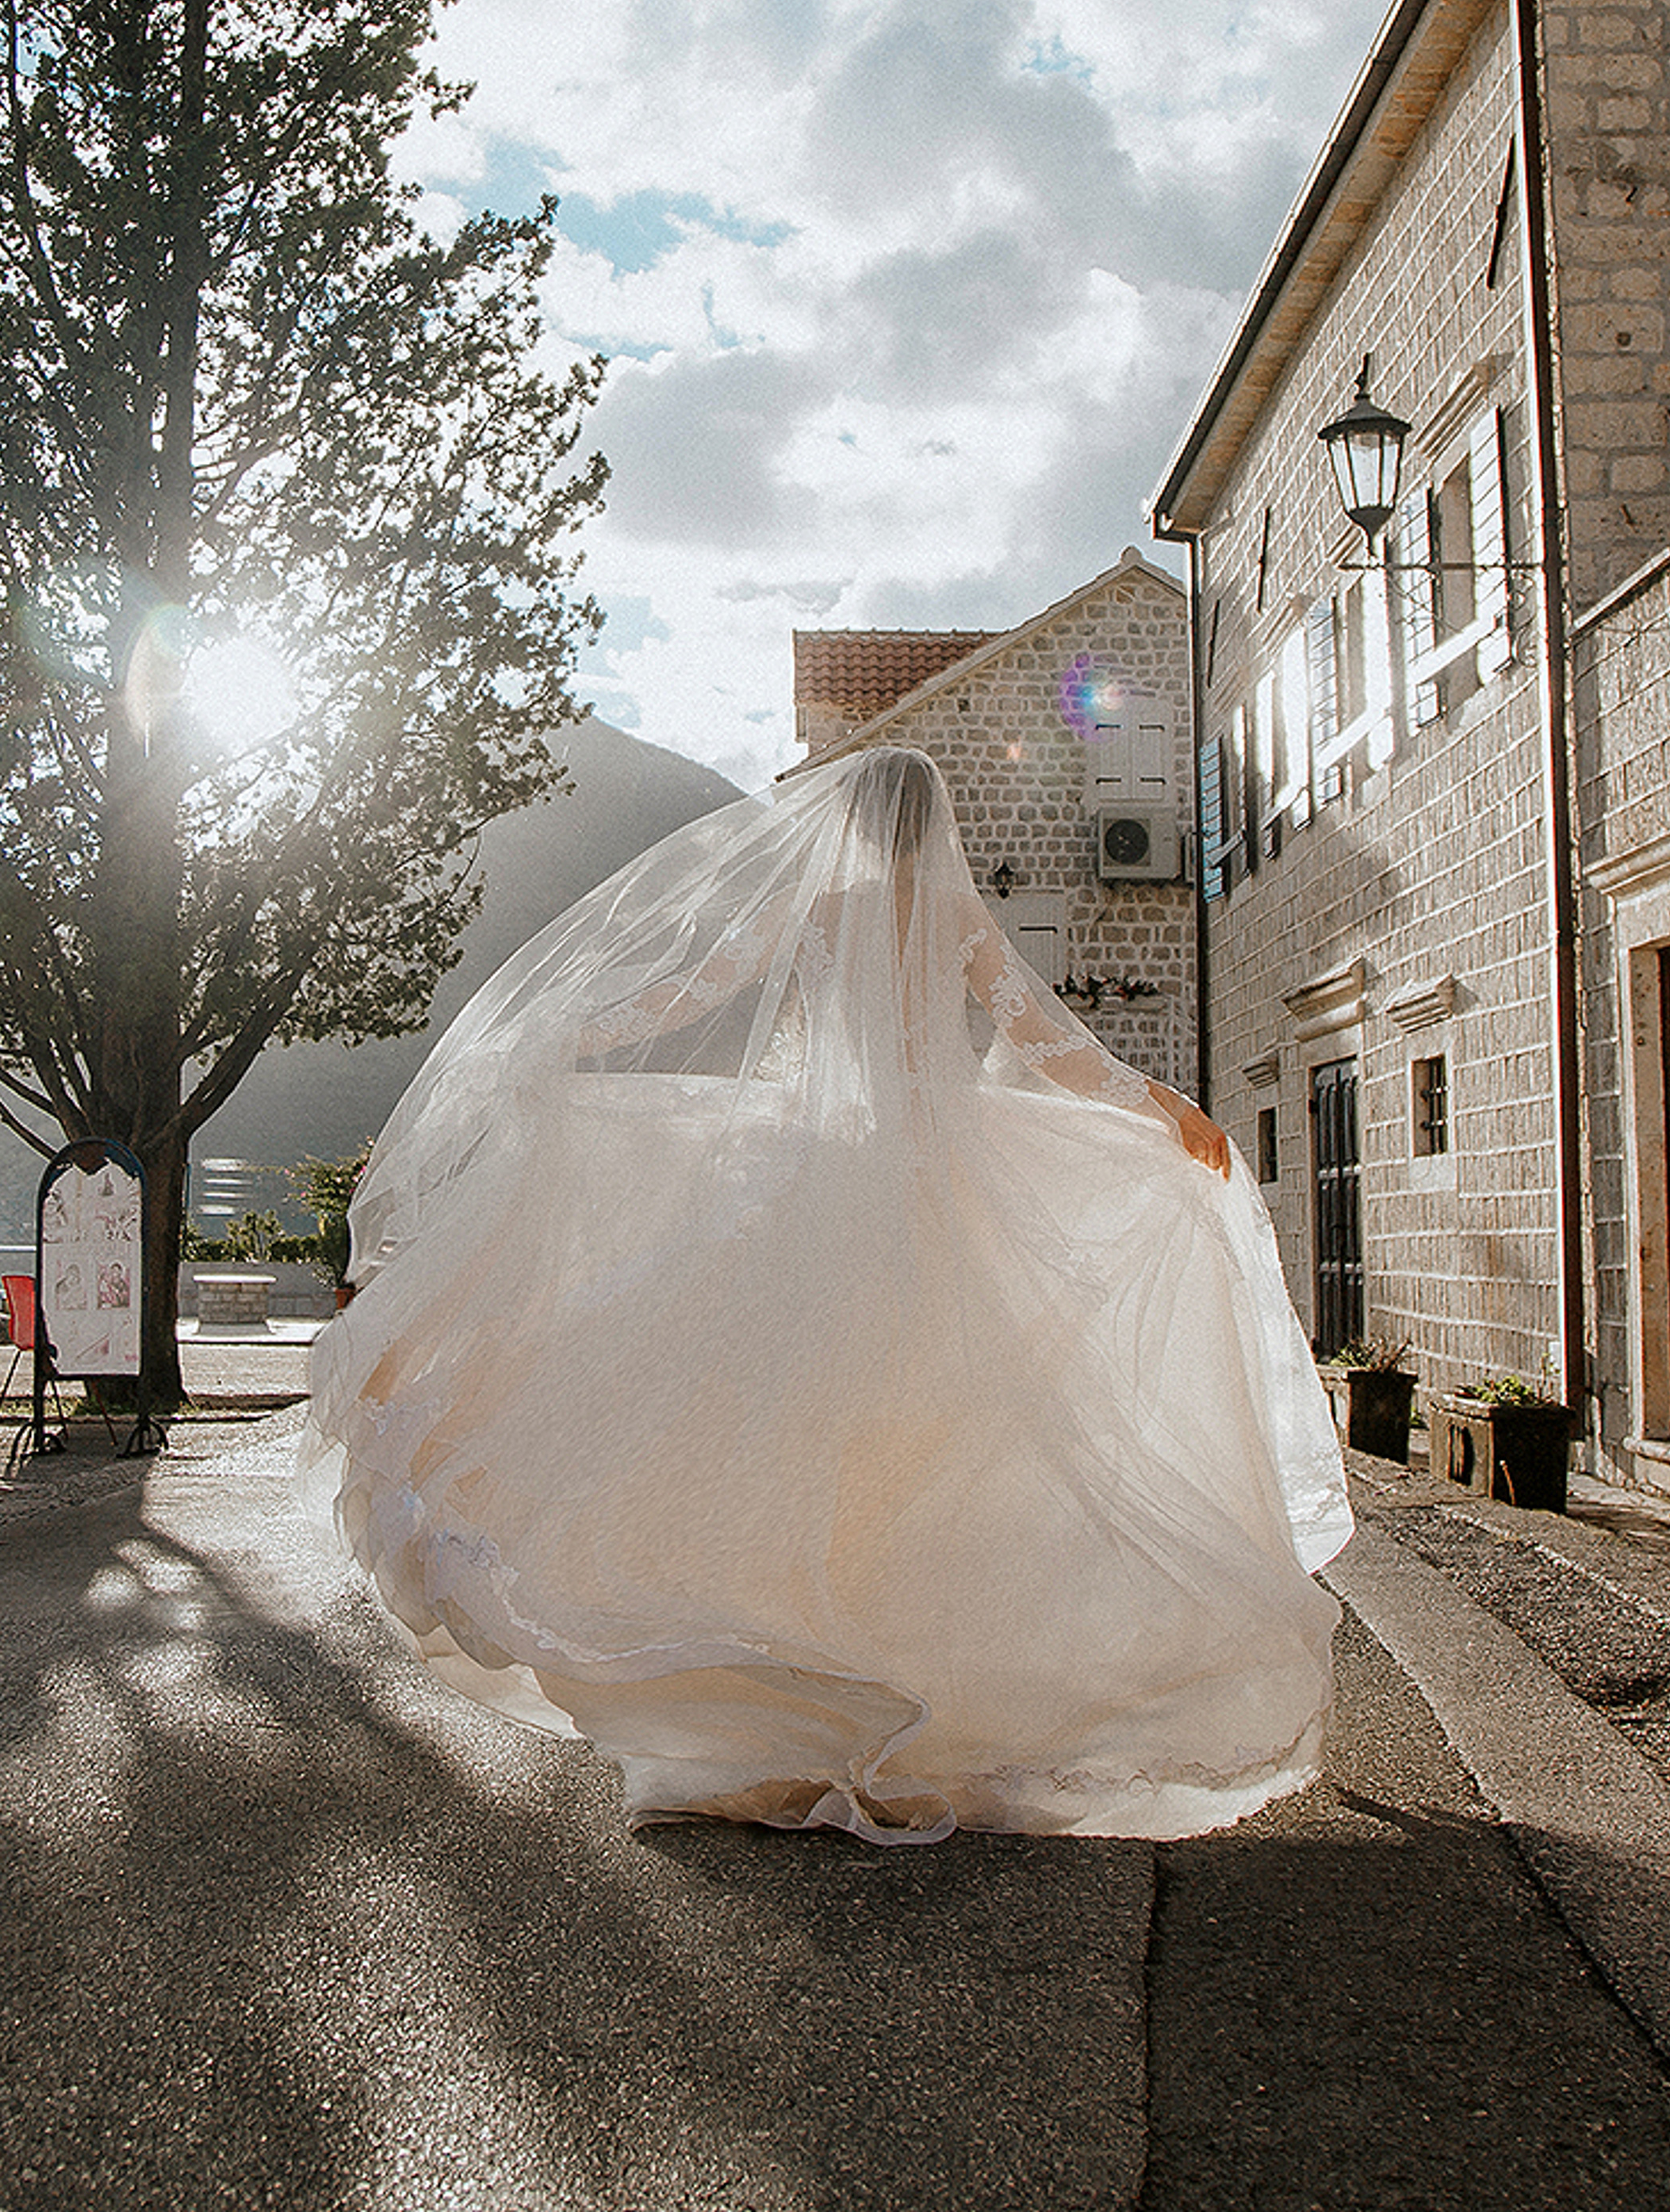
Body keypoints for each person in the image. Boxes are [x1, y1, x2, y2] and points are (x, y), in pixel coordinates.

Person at [301, 745, 1350, 1844]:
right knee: (934, 1448)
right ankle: (900, 1668)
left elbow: (690, 992)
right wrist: (1164, 1113)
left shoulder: (816, 907)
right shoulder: (954, 919)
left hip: (810, 1185)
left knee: (773, 1432)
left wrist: (569, 1039)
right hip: (937, 1200)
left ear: (844, 822)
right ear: (928, 828)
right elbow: (1050, 1044)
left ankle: (785, 1684)